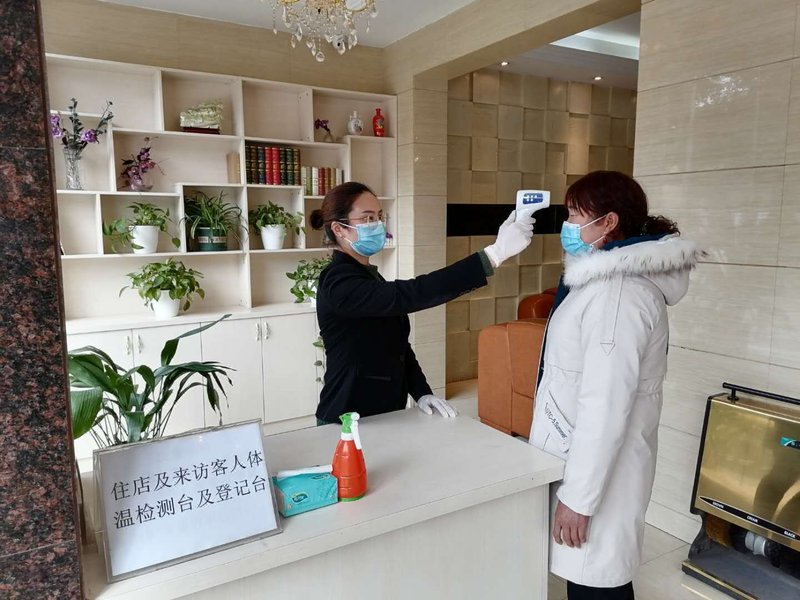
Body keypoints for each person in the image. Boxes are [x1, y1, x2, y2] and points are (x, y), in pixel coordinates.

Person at [528, 171, 701, 600]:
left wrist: (579, 499)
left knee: (597, 583)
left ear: (608, 222)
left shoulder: (618, 293)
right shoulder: (605, 282)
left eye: (574, 215)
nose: (567, 225)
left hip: (600, 474)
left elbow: (605, 404)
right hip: (590, 460)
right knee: (593, 578)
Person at [310, 181, 534, 425]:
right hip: (346, 418)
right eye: (367, 218)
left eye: (379, 216)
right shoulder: (338, 281)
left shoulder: (368, 276)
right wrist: (493, 255)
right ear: (339, 229)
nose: (377, 225)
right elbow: (412, 293)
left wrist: (422, 392)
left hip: (386, 414)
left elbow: (396, 347)